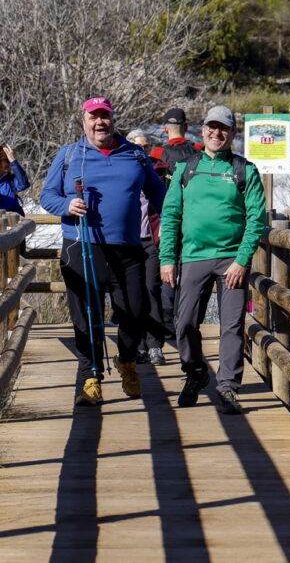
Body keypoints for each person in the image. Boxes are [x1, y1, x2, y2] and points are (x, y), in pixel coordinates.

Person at [41, 98, 166, 406]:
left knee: (136, 311)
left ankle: (126, 362)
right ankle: (90, 376)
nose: (99, 123)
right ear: (83, 121)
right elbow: (47, 195)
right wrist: (67, 205)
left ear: (112, 119)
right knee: (86, 315)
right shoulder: (69, 155)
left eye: (104, 117)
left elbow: (158, 193)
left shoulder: (135, 155)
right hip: (81, 245)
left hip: (127, 247)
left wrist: (172, 222)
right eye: (93, 117)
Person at [159, 105, 266, 412]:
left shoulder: (244, 170)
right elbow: (171, 216)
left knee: (231, 325)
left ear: (232, 134)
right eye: (211, 127)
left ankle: (228, 387)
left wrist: (242, 260)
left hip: (232, 259)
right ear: (202, 129)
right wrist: (168, 258)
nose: (216, 133)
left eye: (224, 128)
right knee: (185, 323)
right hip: (193, 257)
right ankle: (195, 373)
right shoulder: (185, 169)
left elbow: (256, 219)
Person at [125, 129, 169, 367]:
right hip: (128, 240)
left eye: (145, 145)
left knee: (152, 289)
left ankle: (154, 346)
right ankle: (138, 345)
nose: (142, 150)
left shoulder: (157, 171)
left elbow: (166, 201)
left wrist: (164, 226)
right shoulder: (123, 170)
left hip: (151, 239)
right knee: (133, 293)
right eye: (137, 145)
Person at [150, 107, 202, 184]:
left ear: (165, 129)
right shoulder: (200, 148)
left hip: (168, 195)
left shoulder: (156, 153)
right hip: (194, 194)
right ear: (186, 127)